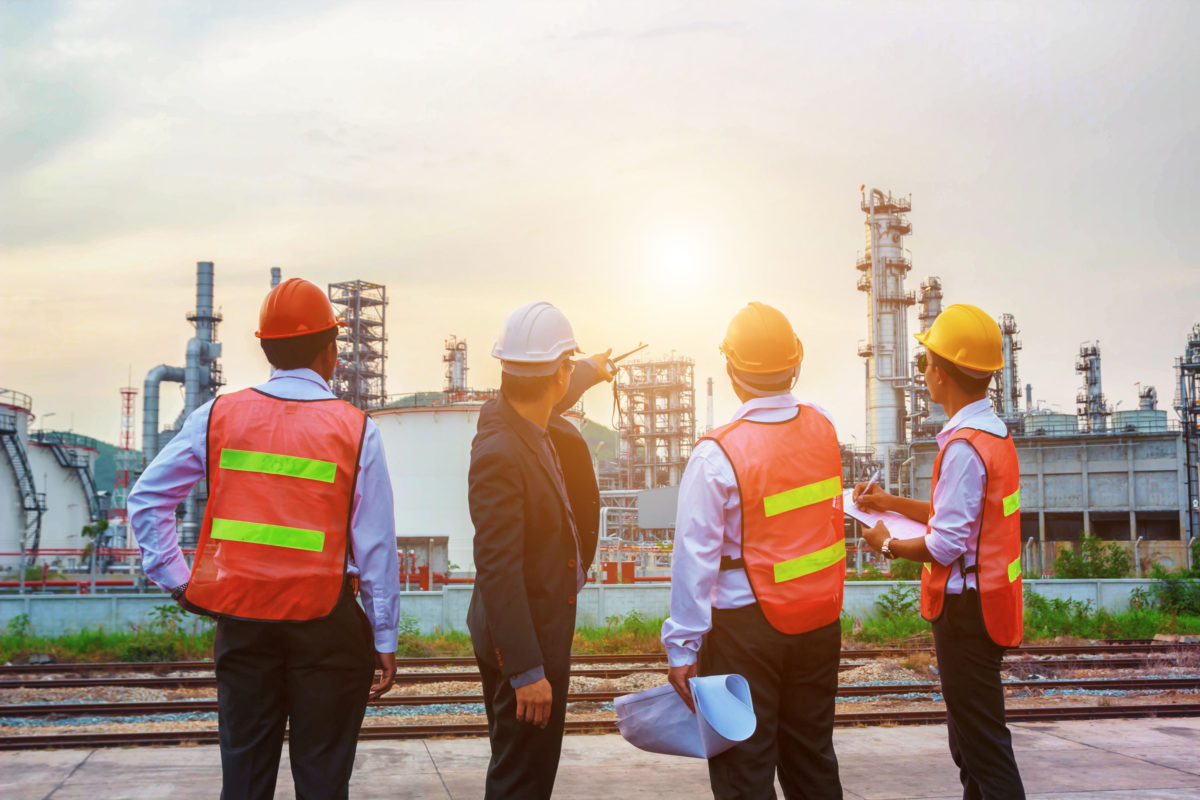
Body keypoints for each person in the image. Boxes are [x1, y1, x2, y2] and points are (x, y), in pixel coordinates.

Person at [128, 277, 400, 800]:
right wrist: (383, 637)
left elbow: (147, 499)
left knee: (246, 780)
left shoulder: (217, 416)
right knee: (323, 781)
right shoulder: (357, 429)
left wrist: (178, 581)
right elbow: (376, 549)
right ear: (332, 351)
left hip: (244, 623)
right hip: (328, 626)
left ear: (266, 349)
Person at [662, 301, 845, 800]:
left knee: (745, 770)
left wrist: (683, 647)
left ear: (731, 369)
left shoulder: (717, 454)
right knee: (812, 761)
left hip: (746, 632)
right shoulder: (823, 427)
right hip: (819, 622)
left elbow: (694, 559)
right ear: (796, 363)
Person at [857, 303, 1025, 800]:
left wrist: (884, 542)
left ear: (942, 374)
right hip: (987, 603)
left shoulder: (963, 448)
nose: (924, 372)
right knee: (970, 744)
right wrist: (889, 502)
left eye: (928, 362)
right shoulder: (992, 436)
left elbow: (947, 543)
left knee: (983, 749)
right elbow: (958, 517)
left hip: (966, 613)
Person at [467, 301, 613, 800]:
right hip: (524, 636)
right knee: (522, 779)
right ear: (556, 375)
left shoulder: (516, 412)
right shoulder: (500, 455)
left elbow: (553, 382)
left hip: (536, 625)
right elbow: (498, 570)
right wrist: (527, 671)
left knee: (530, 769)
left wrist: (593, 368)